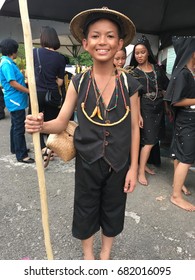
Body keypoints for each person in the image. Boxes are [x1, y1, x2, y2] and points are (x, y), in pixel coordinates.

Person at [25, 7, 141, 260]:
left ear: (120, 44)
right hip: (88, 161)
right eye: (96, 36)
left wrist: (134, 168)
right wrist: (40, 125)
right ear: (86, 43)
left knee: (114, 208)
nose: (103, 41)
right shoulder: (78, 83)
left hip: (119, 162)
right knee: (85, 208)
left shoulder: (130, 84)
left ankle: (105, 253)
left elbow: (134, 127)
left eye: (110, 36)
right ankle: (88, 254)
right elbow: (61, 122)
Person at [129, 35, 170, 186]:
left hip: (159, 105)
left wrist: (166, 106)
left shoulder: (157, 69)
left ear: (148, 53)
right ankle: (140, 172)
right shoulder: (134, 73)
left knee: (152, 139)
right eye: (136, 53)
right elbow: (136, 96)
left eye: (142, 52)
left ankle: (143, 164)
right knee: (149, 140)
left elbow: (165, 87)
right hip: (145, 107)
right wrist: (138, 114)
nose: (139, 55)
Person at [164, 36, 195, 211]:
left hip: (189, 118)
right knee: (186, 157)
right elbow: (175, 101)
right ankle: (176, 196)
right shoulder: (183, 73)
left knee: (181, 153)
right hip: (187, 119)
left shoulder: (189, 72)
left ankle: (179, 184)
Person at [31, 26, 66, 163]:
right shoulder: (60, 58)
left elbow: (30, 75)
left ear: (42, 38)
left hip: (37, 94)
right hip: (52, 94)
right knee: (52, 123)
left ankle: (41, 150)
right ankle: (50, 150)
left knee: (36, 122)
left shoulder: (35, 53)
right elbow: (60, 82)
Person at [0, 38, 34, 164]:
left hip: (16, 98)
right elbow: (12, 83)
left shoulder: (7, 62)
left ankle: (16, 148)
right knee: (19, 127)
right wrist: (29, 91)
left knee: (15, 125)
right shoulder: (6, 64)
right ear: (12, 50)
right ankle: (22, 155)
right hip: (15, 99)